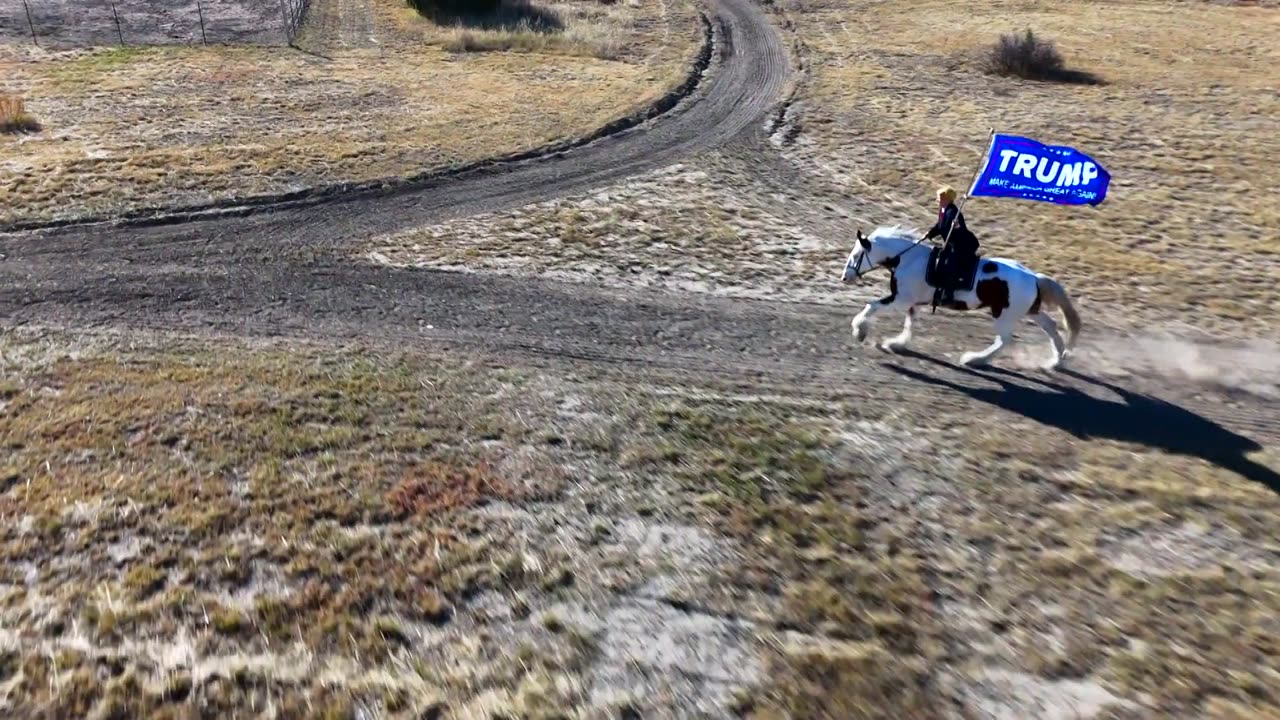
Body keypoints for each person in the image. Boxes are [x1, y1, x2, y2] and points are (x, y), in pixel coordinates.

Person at [922, 186, 980, 305]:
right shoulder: (943, 210)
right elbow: (940, 226)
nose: (937, 200)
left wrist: (957, 226)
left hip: (962, 245)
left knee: (950, 266)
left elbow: (962, 229)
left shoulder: (953, 212)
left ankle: (949, 295)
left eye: (939, 198)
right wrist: (929, 234)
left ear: (946, 199)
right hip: (950, 244)